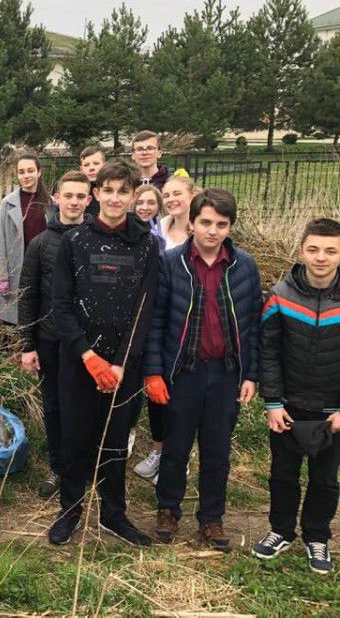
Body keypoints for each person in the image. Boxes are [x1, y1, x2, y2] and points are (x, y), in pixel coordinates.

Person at [49, 158, 159, 547]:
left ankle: (114, 515)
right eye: (108, 191)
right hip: (79, 362)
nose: (115, 198)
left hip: (123, 364)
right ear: (97, 194)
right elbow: (60, 305)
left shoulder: (147, 245)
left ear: (133, 196)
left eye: (123, 192)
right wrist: (87, 356)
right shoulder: (74, 241)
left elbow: (145, 309)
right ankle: (70, 511)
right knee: (75, 441)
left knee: (114, 444)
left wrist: (118, 363)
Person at [144, 188, 262, 551]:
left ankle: (211, 518)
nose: (212, 231)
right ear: (191, 223)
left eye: (221, 224)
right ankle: (168, 508)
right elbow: (156, 322)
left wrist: (250, 374)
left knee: (217, 451)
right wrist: (154, 372)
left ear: (230, 227)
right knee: (175, 447)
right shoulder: (171, 263)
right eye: (206, 222)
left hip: (225, 374)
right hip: (184, 372)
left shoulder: (244, 266)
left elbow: (253, 324)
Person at [252, 217, 340, 574]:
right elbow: (268, 352)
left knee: (325, 479)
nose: (321, 257)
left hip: (333, 413)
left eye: (331, 250)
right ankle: (281, 530)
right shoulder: (280, 295)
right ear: (301, 250)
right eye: (314, 249)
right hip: (288, 408)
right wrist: (272, 403)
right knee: (283, 475)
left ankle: (317, 537)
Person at [19, 170, 93, 498]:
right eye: (69, 195)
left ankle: (82, 465)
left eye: (81, 196)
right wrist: (27, 345)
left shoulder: (96, 240)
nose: (74, 202)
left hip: (87, 342)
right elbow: (28, 295)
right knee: (54, 406)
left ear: (89, 201)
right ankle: (57, 467)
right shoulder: (40, 244)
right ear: (57, 199)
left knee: (84, 405)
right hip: (49, 340)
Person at [131, 183, 168, 481]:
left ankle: (164, 452)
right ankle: (127, 434)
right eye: (139, 202)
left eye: (150, 202)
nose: (145, 207)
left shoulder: (161, 236)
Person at [0, 149, 54, 325]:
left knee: (40, 315)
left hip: (43, 270)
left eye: (30, 171)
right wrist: (1, 277)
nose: (26, 176)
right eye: (21, 172)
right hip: (17, 269)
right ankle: (13, 350)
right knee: (15, 318)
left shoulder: (50, 203)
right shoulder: (8, 203)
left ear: (39, 172)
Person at [158, 172, 196, 251]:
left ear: (192, 197)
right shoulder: (157, 231)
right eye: (166, 196)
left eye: (177, 194)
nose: (171, 199)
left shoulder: (203, 232)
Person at [78, 145, 105, 217]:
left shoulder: (113, 191)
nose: (91, 168)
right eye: (86, 165)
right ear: (81, 170)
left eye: (96, 163)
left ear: (105, 166)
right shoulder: (76, 193)